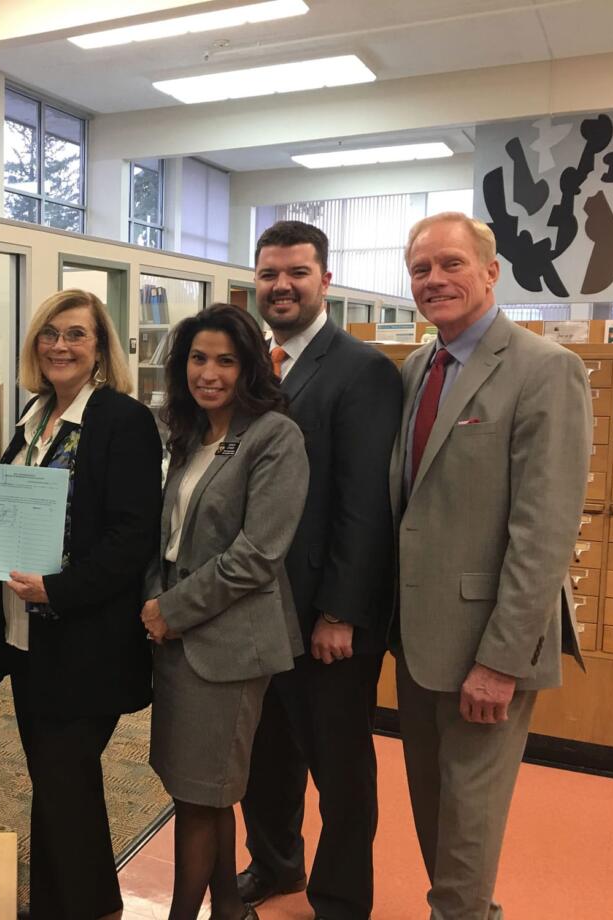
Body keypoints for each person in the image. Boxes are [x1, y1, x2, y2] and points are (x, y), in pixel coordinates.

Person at [391, 213, 589, 919]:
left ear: (490, 271)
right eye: (420, 270)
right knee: (434, 808)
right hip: (418, 637)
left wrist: (501, 661)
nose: (435, 280)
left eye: (450, 264)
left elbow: (543, 531)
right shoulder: (419, 367)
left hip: (488, 644)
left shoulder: (545, 370)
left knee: (469, 820)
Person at [0, 289, 161, 920]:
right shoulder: (35, 415)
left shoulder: (122, 421)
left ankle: (90, 909)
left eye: (76, 334)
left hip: (87, 642)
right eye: (50, 333)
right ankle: (62, 904)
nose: (61, 345)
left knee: (66, 778)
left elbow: (131, 538)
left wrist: (59, 588)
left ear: (101, 347)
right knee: (57, 783)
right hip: (28, 637)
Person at [237, 221, 403, 920]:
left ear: (324, 280)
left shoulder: (361, 370)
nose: (281, 286)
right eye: (269, 273)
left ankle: (339, 898)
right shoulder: (252, 366)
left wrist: (341, 611)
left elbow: (366, 502)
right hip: (255, 610)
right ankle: (276, 866)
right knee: (263, 754)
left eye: (296, 273)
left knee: (339, 768)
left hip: (323, 616)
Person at [142, 304, 308, 920]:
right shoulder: (192, 434)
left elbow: (257, 555)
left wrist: (170, 610)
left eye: (225, 360)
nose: (208, 372)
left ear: (250, 367)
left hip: (229, 645)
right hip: (180, 640)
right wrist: (153, 601)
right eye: (197, 358)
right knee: (204, 796)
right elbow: (170, 536)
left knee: (199, 798)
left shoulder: (274, 436)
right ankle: (229, 911)